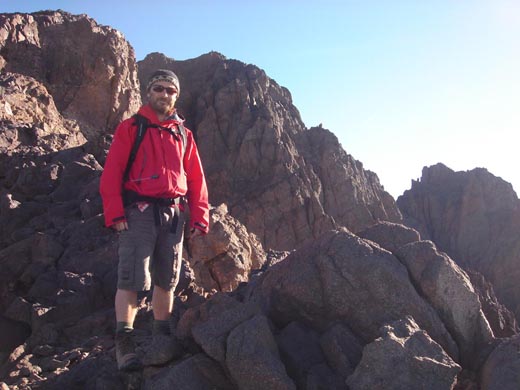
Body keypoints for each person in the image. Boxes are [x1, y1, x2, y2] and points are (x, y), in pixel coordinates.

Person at [100, 69, 209, 371]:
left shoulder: (183, 135)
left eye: (170, 91)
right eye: (159, 89)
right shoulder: (131, 128)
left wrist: (200, 216)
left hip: (173, 214)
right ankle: (125, 344)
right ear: (149, 92)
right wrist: (116, 213)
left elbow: (196, 177)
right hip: (139, 213)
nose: (165, 95)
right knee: (133, 277)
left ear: (177, 95)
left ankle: (162, 336)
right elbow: (111, 174)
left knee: (167, 278)